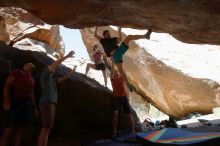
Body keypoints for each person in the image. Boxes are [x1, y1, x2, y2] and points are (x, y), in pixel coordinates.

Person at [94, 26, 152, 92]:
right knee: (120, 70)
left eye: (109, 33)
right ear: (104, 36)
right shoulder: (103, 40)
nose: (109, 34)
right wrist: (97, 27)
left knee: (129, 37)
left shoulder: (113, 39)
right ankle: (128, 84)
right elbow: (95, 35)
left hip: (120, 50)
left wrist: (119, 30)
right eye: (107, 33)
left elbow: (120, 39)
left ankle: (145, 36)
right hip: (115, 56)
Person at [37, 51, 75, 146]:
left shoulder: (52, 80)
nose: (53, 69)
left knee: (47, 128)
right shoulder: (44, 76)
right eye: (50, 67)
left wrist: (72, 72)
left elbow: (64, 78)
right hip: (47, 102)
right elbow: (55, 64)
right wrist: (67, 56)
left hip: (50, 103)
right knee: (46, 128)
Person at [0, 63, 37, 146]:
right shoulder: (18, 72)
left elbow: (31, 94)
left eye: (29, 64)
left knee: (19, 130)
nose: (26, 64)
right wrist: (6, 100)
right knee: (9, 128)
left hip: (26, 105)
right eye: (26, 64)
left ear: (32, 68)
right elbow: (7, 85)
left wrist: (34, 107)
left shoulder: (32, 80)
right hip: (15, 103)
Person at [110, 64, 134, 137]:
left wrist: (119, 64)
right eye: (115, 72)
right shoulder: (112, 79)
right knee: (115, 114)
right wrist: (113, 62)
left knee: (129, 114)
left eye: (117, 72)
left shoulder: (122, 78)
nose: (116, 73)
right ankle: (114, 131)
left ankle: (132, 130)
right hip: (116, 99)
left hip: (124, 98)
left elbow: (122, 71)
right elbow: (111, 71)